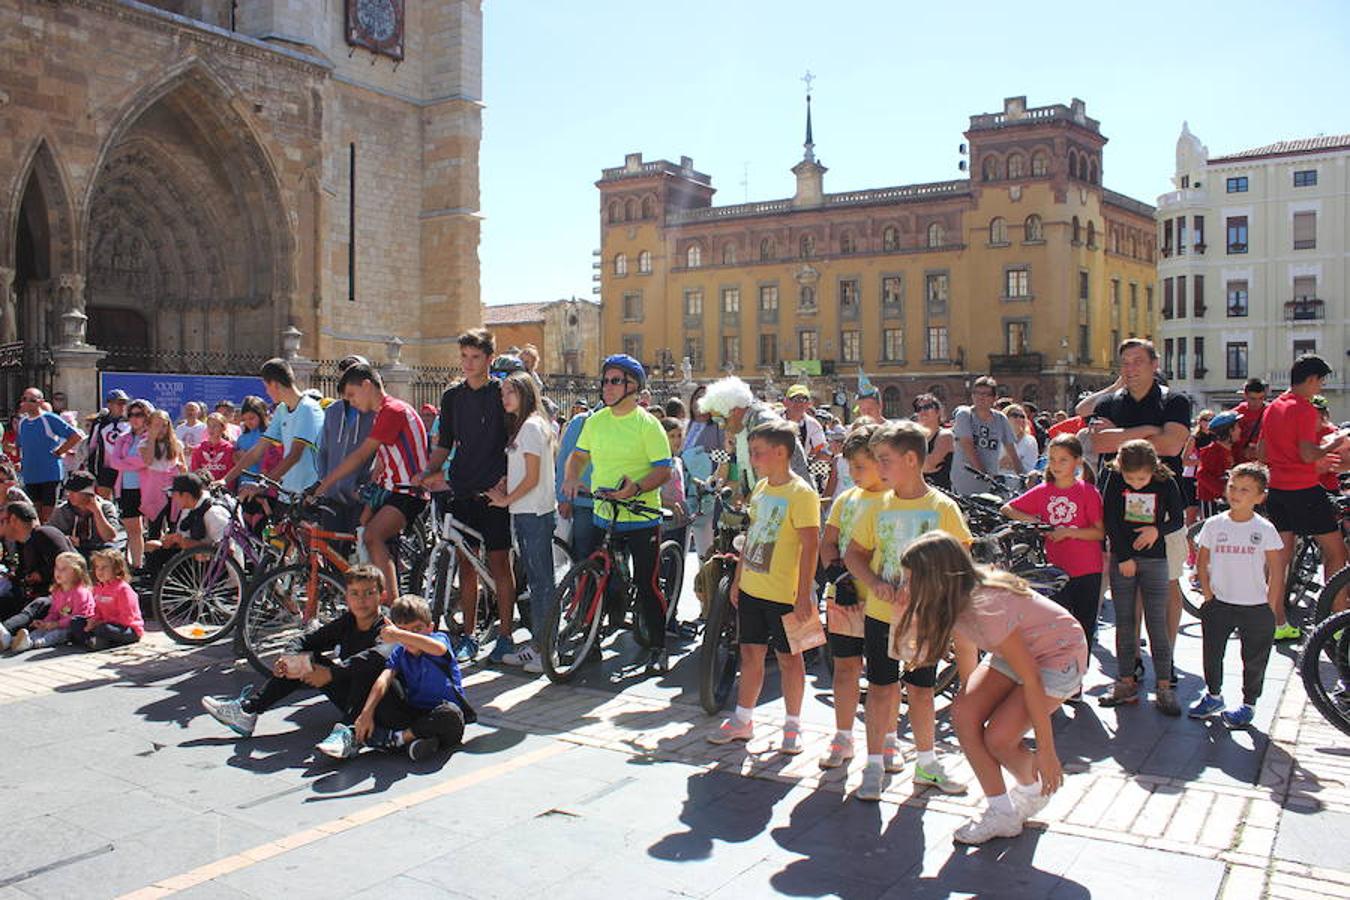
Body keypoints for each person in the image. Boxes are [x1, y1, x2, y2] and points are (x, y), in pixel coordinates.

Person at [902, 532, 1084, 845]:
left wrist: (1047, 751)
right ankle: (1002, 811)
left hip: (1058, 655)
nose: (906, 587)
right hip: (1018, 652)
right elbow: (967, 648)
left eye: (911, 580)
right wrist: (970, 705)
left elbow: (1032, 678)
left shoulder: (986, 604)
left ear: (936, 578)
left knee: (999, 738)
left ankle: (1032, 788)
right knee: (962, 715)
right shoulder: (952, 597)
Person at [844, 420, 973, 801]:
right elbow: (855, 554)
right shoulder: (877, 505)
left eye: (884, 460)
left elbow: (960, 559)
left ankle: (927, 763)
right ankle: (872, 764)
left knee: (921, 689)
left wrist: (933, 593)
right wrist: (876, 583)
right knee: (882, 688)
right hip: (882, 615)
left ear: (912, 459)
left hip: (925, 618)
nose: (878, 468)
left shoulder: (942, 508)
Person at [707, 420, 820, 752]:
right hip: (754, 589)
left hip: (788, 593)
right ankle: (743, 720)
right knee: (750, 653)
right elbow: (752, 535)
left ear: (781, 452)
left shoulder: (802, 493)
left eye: (758, 453)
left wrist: (803, 597)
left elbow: (812, 546)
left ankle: (793, 726)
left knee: (791, 659)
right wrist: (739, 580)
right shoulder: (761, 489)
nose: (753, 459)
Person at [1080, 340, 1193, 650]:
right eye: (1125, 362)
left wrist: (1123, 435)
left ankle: (1165, 656)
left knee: (1168, 583)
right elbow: (1101, 444)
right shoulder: (1108, 404)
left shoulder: (1175, 401)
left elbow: (1172, 446)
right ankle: (1133, 661)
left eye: (1138, 361)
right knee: (1127, 588)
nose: (1130, 368)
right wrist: (1148, 429)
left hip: (1164, 511)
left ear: (1155, 364)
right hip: (1117, 508)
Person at [562, 354, 673, 671]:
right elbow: (579, 457)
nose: (606, 387)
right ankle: (590, 642)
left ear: (633, 386)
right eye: (605, 380)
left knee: (647, 582)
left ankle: (659, 646)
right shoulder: (594, 421)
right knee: (594, 577)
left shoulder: (648, 425)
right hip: (603, 513)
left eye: (615, 381)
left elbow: (663, 471)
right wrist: (571, 477)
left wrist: (635, 488)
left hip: (640, 516)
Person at [414, 329, 517, 664]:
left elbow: (515, 440)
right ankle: (469, 636)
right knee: (466, 565)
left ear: (489, 359)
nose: (468, 363)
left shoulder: (501, 393)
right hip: (461, 489)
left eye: (475, 357)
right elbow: (444, 441)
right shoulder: (452, 396)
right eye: (464, 357)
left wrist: (506, 480)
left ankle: (505, 636)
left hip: (495, 492)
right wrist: (429, 471)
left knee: (500, 563)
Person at [200, 565, 391, 737]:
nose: (361, 600)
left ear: (382, 596)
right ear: (346, 597)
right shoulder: (348, 621)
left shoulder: (387, 628)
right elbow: (306, 640)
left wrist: (332, 674)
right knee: (305, 659)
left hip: (379, 702)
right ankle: (249, 710)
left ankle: (348, 730)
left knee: (364, 672)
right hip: (348, 693)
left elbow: (372, 661)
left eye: (369, 593)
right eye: (355, 593)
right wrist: (288, 659)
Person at [313, 364, 428, 602]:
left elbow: (360, 455)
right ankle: (373, 593)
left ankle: (393, 603)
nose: (351, 403)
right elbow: (382, 460)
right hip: (388, 489)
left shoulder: (392, 410)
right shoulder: (382, 413)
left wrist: (324, 484)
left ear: (367, 385)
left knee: (372, 537)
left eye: (352, 395)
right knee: (362, 527)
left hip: (407, 492)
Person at [320, 594, 472, 761]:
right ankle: (413, 740)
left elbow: (437, 648)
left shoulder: (438, 640)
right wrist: (366, 713)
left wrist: (398, 635)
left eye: (417, 629)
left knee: (450, 715)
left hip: (442, 715)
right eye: (403, 630)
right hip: (414, 714)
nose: (409, 636)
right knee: (376, 691)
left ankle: (397, 740)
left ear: (430, 628)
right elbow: (383, 680)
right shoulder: (400, 652)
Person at [1261, 354, 1349, 640]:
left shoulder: (1272, 407)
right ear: (1311, 379)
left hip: (1277, 490)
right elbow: (1307, 454)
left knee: (1279, 560)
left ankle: (1276, 623)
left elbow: (1261, 452)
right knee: (1336, 553)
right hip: (1304, 489)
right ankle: (1334, 625)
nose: (1320, 388)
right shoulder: (1304, 409)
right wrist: (1334, 442)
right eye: (1320, 382)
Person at [1189, 462, 1283, 727]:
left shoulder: (1264, 529)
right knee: (1212, 652)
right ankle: (1214, 695)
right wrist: (1207, 595)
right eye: (1233, 486)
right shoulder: (1214, 525)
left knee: (1254, 658)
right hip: (1219, 603)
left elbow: (1277, 569)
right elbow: (1202, 559)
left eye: (1245, 489)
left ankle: (1249, 703)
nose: (1236, 493)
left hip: (1255, 605)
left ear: (1260, 496)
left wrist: (1271, 605)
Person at [1098, 440, 1185, 715]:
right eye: (1130, 478)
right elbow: (1110, 518)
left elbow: (1178, 519)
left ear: (1154, 469)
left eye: (1142, 478)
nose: (1136, 484)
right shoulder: (1113, 477)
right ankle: (1125, 681)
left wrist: (1156, 531)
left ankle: (1164, 686)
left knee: (1156, 622)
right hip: (1124, 559)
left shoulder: (1165, 480)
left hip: (1156, 558)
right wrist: (1123, 557)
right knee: (1125, 622)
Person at [817, 423, 885, 769]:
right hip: (845, 596)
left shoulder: (893, 499)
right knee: (845, 669)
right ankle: (843, 737)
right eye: (850, 467)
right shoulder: (847, 499)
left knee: (883, 678)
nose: (854, 474)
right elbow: (828, 542)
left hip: (883, 602)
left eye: (860, 466)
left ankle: (886, 741)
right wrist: (838, 577)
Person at [1003, 434, 1105, 649]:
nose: (1056, 465)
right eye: (1053, 459)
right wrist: (1037, 521)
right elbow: (1008, 508)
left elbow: (1098, 533)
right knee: (1058, 626)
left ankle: (1079, 675)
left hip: (1087, 569)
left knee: (1084, 626)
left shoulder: (1088, 492)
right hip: (1056, 571)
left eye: (1063, 460)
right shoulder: (1043, 491)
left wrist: (1069, 532)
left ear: (1077, 461)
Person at [485, 371, 557, 673]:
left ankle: (547, 651)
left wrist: (506, 499)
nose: (504, 399)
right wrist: (507, 483)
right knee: (538, 581)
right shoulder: (530, 426)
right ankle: (540, 645)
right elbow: (524, 471)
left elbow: (532, 476)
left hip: (532, 512)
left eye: (509, 393)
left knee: (541, 584)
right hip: (528, 511)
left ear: (525, 393)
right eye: (502, 393)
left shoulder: (529, 427)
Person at [218, 358, 325, 502]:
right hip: (287, 495)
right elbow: (258, 450)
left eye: (266, 387)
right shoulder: (282, 409)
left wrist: (262, 486)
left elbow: (294, 455)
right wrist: (225, 480)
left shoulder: (308, 408)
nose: (267, 392)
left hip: (309, 496)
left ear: (274, 384)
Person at [698, 376, 810, 498]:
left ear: (734, 410)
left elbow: (771, 475)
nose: (720, 426)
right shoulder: (744, 425)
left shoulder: (764, 424)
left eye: (719, 419)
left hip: (792, 502)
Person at [316, 354, 376, 536]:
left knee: (358, 558)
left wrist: (365, 489)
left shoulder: (374, 413)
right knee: (332, 556)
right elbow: (323, 451)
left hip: (360, 499)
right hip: (332, 498)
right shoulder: (333, 411)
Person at [3, 551, 94, 652]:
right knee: (39, 631)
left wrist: (56, 624)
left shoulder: (80, 593)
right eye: (57, 568)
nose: (58, 572)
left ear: (77, 572)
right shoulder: (58, 591)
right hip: (59, 623)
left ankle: (33, 643)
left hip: (74, 627)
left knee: (57, 634)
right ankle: (16, 641)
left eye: (63, 569)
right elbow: (54, 612)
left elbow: (78, 617)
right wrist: (45, 623)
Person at [16, 387, 84, 521]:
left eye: (32, 400)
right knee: (34, 515)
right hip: (30, 474)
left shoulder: (49, 419)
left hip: (49, 474)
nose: (27, 402)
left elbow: (76, 436)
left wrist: (60, 451)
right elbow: (20, 445)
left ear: (40, 402)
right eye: (24, 399)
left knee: (48, 515)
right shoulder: (22, 422)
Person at [951, 376, 1021, 496]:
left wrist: (1022, 476)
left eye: (986, 394)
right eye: (977, 393)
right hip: (964, 481)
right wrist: (984, 474)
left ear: (994, 398)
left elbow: (1011, 450)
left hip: (988, 484)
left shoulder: (1000, 419)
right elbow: (968, 446)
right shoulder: (965, 415)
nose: (980, 397)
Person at [73, 548, 143, 650]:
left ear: (117, 569)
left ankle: (95, 641)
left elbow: (127, 618)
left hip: (127, 629)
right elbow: (96, 610)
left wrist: (101, 622)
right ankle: (94, 641)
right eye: (97, 567)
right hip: (103, 623)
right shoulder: (98, 588)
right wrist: (92, 620)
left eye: (104, 567)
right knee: (76, 622)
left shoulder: (123, 589)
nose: (99, 571)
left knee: (103, 629)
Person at [556, 401, 598, 560]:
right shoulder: (581, 422)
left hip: (614, 504)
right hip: (584, 503)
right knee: (582, 556)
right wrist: (564, 498)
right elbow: (563, 459)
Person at [47, 470, 122, 557]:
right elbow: (52, 534)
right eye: (69, 490)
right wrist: (66, 539)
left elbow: (109, 537)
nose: (69, 495)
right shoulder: (62, 510)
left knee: (111, 550)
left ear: (89, 492)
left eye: (75, 491)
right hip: (71, 550)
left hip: (98, 549)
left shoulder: (106, 507)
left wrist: (97, 511)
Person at [87, 389, 130, 500]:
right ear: (109, 404)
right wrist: (92, 471)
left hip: (125, 468)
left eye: (124, 403)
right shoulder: (100, 423)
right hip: (106, 468)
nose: (122, 407)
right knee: (103, 500)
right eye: (119, 403)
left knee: (124, 500)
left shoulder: (129, 422)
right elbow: (91, 447)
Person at [1195, 411, 1239, 521]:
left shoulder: (1231, 450)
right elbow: (1202, 474)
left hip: (1226, 500)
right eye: (1237, 427)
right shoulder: (1212, 451)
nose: (1240, 430)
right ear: (1229, 431)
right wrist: (1222, 491)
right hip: (1211, 500)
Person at [914, 393, 954, 492]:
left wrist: (909, 466)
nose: (922, 411)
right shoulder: (916, 438)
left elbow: (928, 465)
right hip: (919, 494)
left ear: (938, 411)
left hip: (941, 494)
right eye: (919, 408)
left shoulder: (945, 435)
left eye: (927, 407)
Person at [784, 384, 828, 461]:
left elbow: (820, 448)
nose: (799, 404)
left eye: (803, 400)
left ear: (808, 404)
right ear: (786, 401)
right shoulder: (775, 419)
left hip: (800, 467)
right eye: (795, 399)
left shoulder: (813, 425)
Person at [189, 414, 236, 485]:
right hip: (204, 489)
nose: (211, 429)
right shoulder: (199, 448)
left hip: (223, 489)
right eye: (209, 426)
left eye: (215, 426)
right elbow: (195, 472)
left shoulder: (229, 449)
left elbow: (231, 473)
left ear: (223, 428)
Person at [1232, 378, 1269, 464]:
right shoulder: (1235, 414)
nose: (1257, 402)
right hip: (1239, 463)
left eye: (1261, 398)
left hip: (1264, 464)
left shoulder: (1271, 412)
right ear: (1245, 395)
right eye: (1253, 399)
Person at [1001, 404, 1040, 474]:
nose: (1019, 419)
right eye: (1015, 415)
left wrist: (1013, 462)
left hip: (1018, 481)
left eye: (1022, 416)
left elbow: (1030, 468)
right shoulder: (997, 437)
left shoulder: (1030, 441)